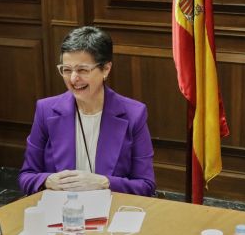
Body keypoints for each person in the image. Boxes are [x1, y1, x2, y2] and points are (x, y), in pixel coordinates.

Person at [19, 26, 156, 197]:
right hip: (60, 211)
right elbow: (26, 176)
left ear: (106, 69)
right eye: (67, 70)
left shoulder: (134, 114)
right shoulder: (45, 110)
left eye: (82, 70)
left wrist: (104, 183)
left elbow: (146, 185)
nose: (73, 79)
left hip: (111, 210)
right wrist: (48, 181)